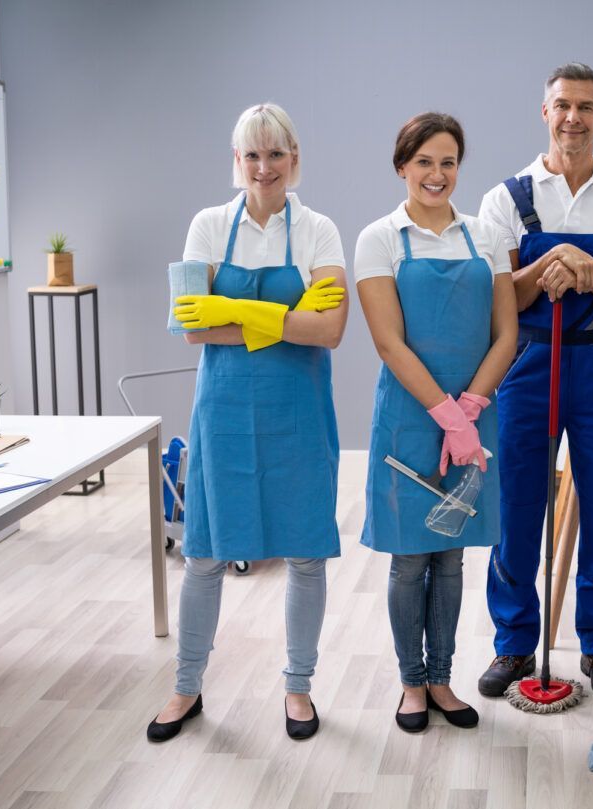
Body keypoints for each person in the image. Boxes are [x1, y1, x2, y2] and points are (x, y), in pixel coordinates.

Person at [149, 103, 348, 742]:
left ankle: (297, 689)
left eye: (276, 154)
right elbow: (189, 327)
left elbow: (333, 329)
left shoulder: (319, 229)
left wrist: (231, 311)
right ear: (237, 163)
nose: (265, 168)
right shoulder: (208, 225)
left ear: (296, 160)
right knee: (204, 554)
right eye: (252, 156)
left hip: (299, 412)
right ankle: (186, 688)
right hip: (225, 414)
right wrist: (282, 317)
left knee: (305, 555)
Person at [476, 63, 593, 700]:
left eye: (586, 107)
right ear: (544, 113)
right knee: (518, 500)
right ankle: (514, 641)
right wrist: (550, 262)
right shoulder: (506, 199)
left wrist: (592, 276)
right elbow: (497, 301)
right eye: (562, 106)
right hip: (526, 362)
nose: (573, 117)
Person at [357, 113, 517, 733]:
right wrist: (447, 416)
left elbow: (506, 334)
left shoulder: (486, 237)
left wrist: (472, 410)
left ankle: (444, 678)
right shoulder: (380, 238)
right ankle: (411, 683)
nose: (437, 174)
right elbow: (389, 343)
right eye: (424, 161)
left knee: (451, 556)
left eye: (448, 162)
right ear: (402, 166)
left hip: (475, 417)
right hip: (409, 416)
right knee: (409, 558)